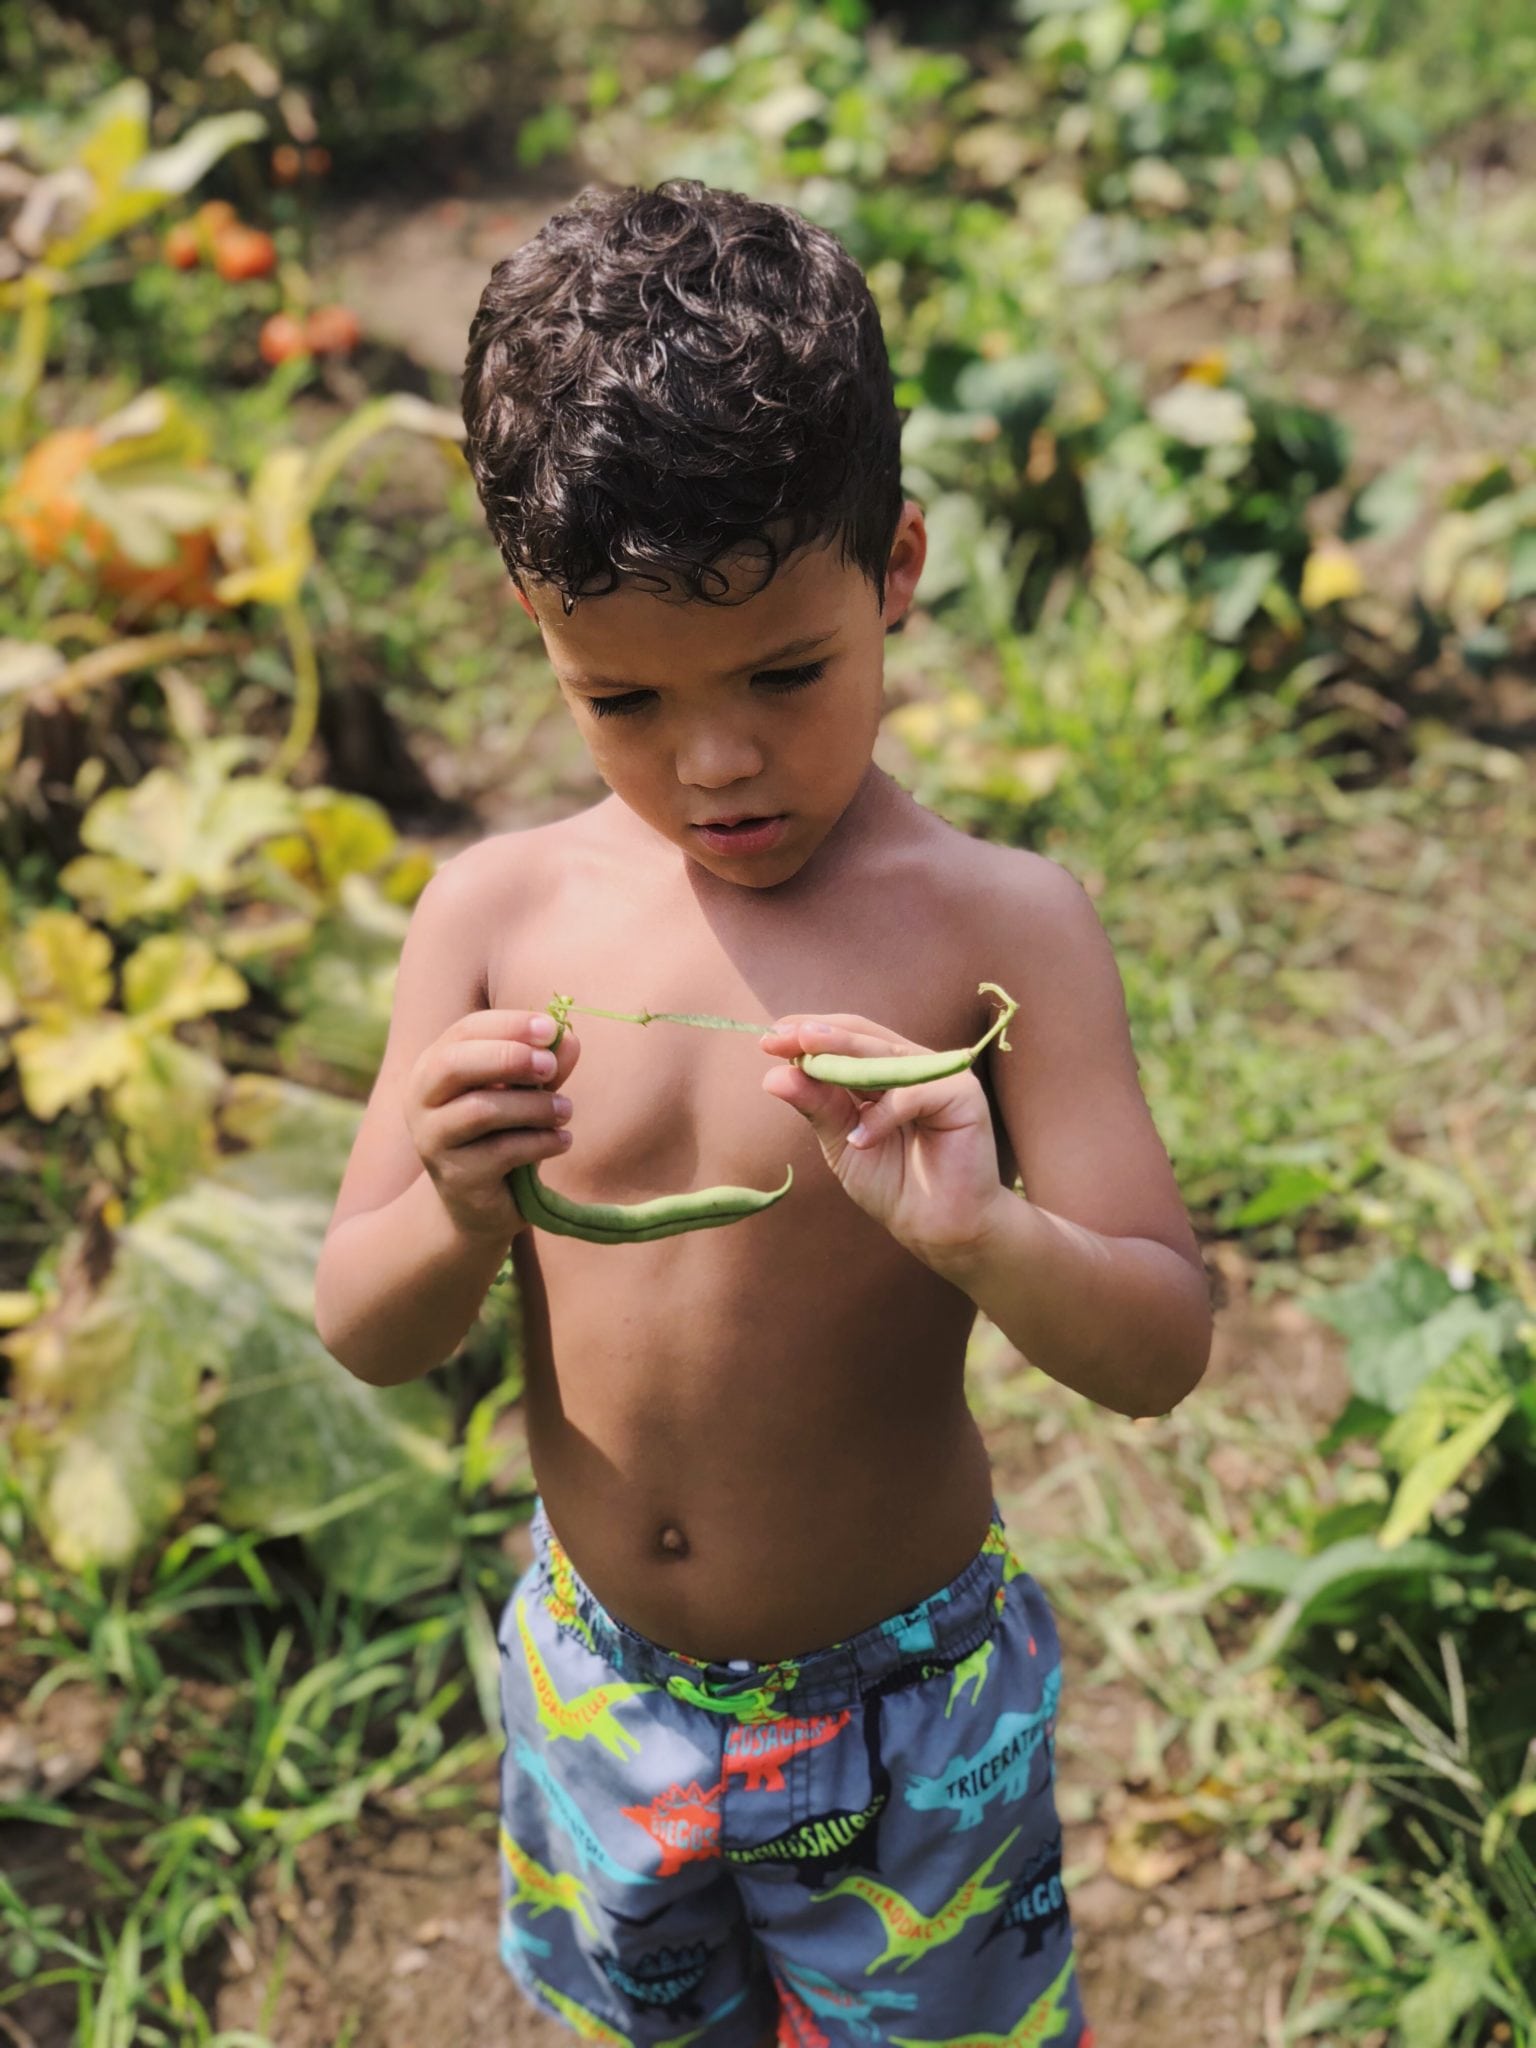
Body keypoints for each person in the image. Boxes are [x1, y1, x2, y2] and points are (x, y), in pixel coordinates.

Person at [313, 177, 1211, 2048]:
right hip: (595, 1693)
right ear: (536, 626)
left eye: (784, 676)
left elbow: (1161, 1345)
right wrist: (460, 1212)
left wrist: (987, 1234)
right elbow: (367, 1326)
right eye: (622, 699)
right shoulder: (492, 919)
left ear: (894, 567)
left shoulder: (1002, 933)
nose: (715, 761)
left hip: (908, 1711)